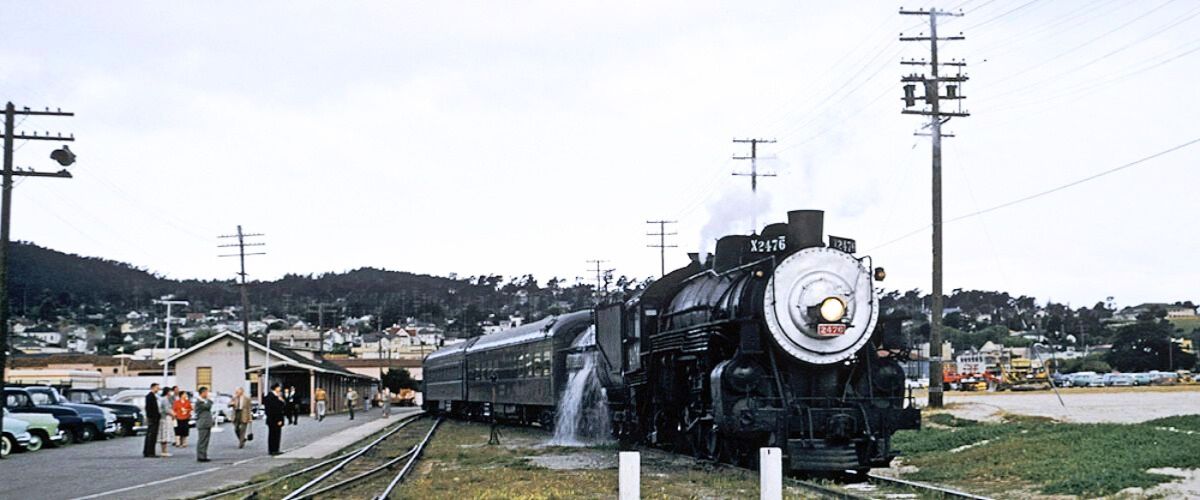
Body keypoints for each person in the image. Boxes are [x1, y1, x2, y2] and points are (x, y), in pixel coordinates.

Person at [264, 383, 285, 455]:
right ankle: (273, 449)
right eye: (278, 387)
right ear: (275, 388)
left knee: (275, 434)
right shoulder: (272, 397)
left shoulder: (275, 396)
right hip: (274, 419)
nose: (280, 389)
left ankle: (275, 449)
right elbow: (275, 409)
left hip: (272, 419)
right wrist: (279, 419)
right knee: (274, 435)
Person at [194, 387, 214, 462]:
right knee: (202, 440)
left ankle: (204, 455)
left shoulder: (203, 401)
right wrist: (209, 400)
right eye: (206, 392)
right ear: (202, 393)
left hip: (206, 423)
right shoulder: (199, 401)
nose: (207, 394)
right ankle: (200, 456)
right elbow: (207, 407)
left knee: (206, 440)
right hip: (203, 423)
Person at [143, 383, 161, 458]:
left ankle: (148, 451)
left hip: (154, 418)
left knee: (151, 435)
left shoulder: (153, 396)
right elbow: (149, 408)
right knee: (151, 436)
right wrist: (151, 417)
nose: (158, 389)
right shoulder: (150, 396)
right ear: (153, 388)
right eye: (157, 387)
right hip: (153, 419)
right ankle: (150, 452)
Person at [158, 387, 175, 457]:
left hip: (166, 417)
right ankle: (163, 451)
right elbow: (166, 409)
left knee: (165, 434)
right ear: (168, 392)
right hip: (164, 418)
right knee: (164, 434)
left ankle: (164, 450)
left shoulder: (166, 399)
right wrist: (173, 414)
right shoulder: (164, 399)